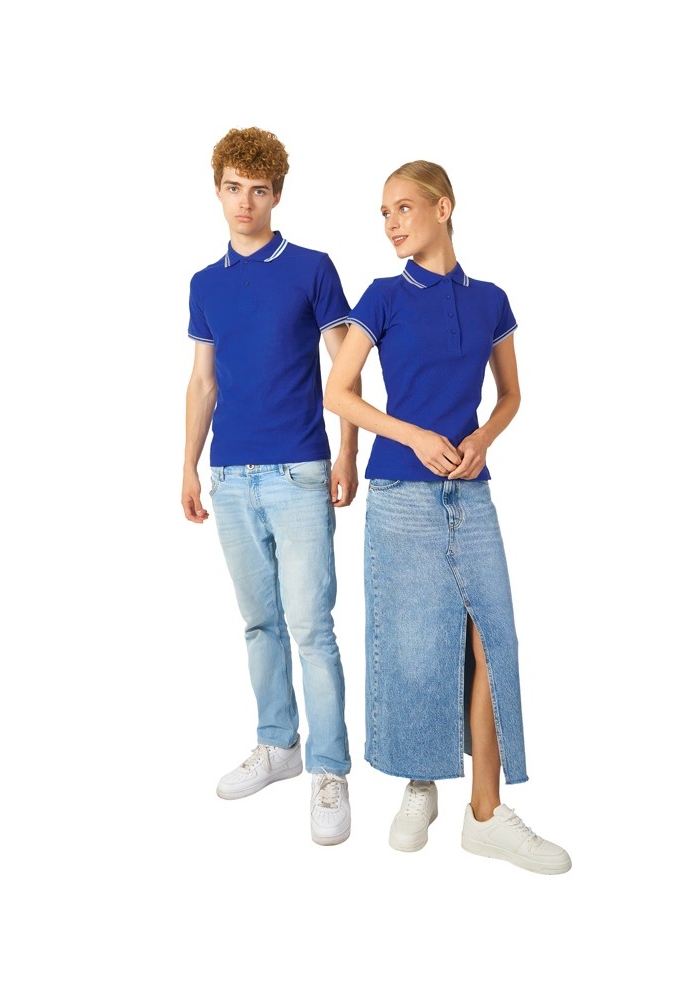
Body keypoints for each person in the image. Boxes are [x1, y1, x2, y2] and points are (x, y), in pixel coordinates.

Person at [323, 160, 571, 874]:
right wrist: (414, 436)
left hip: (472, 494)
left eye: (403, 207)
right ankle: (419, 784)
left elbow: (511, 394)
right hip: (401, 497)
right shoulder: (382, 297)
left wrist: (481, 439)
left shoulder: (491, 300)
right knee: (416, 646)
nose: (391, 223)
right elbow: (339, 392)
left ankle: (486, 814)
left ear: (443, 207)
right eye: (384, 213)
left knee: (493, 639)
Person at [182, 126, 359, 846]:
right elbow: (202, 381)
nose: (245, 202)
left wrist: (347, 453)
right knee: (259, 624)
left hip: (299, 471)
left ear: (277, 194)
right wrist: (188, 465)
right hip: (230, 475)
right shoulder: (205, 284)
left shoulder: (311, 268)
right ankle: (278, 743)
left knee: (312, 627)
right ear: (217, 190)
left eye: (258, 190)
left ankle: (329, 769)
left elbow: (345, 367)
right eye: (233, 188)